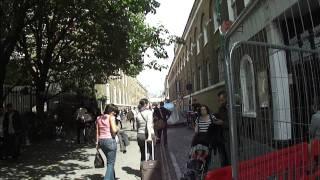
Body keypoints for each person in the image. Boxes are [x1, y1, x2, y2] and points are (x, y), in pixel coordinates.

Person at [96, 104, 119, 180]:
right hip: (110, 141)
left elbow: (97, 132)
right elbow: (114, 130)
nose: (115, 113)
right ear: (110, 111)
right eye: (114, 111)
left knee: (109, 162)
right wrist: (117, 127)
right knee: (110, 164)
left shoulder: (98, 118)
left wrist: (97, 143)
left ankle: (112, 178)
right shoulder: (111, 117)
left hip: (102, 141)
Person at [215, 91, 230, 166]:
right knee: (223, 160)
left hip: (229, 139)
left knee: (229, 159)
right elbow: (219, 116)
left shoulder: (231, 109)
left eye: (222, 100)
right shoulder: (221, 108)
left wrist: (222, 123)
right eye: (219, 100)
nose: (220, 102)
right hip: (220, 138)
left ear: (226, 98)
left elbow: (235, 124)